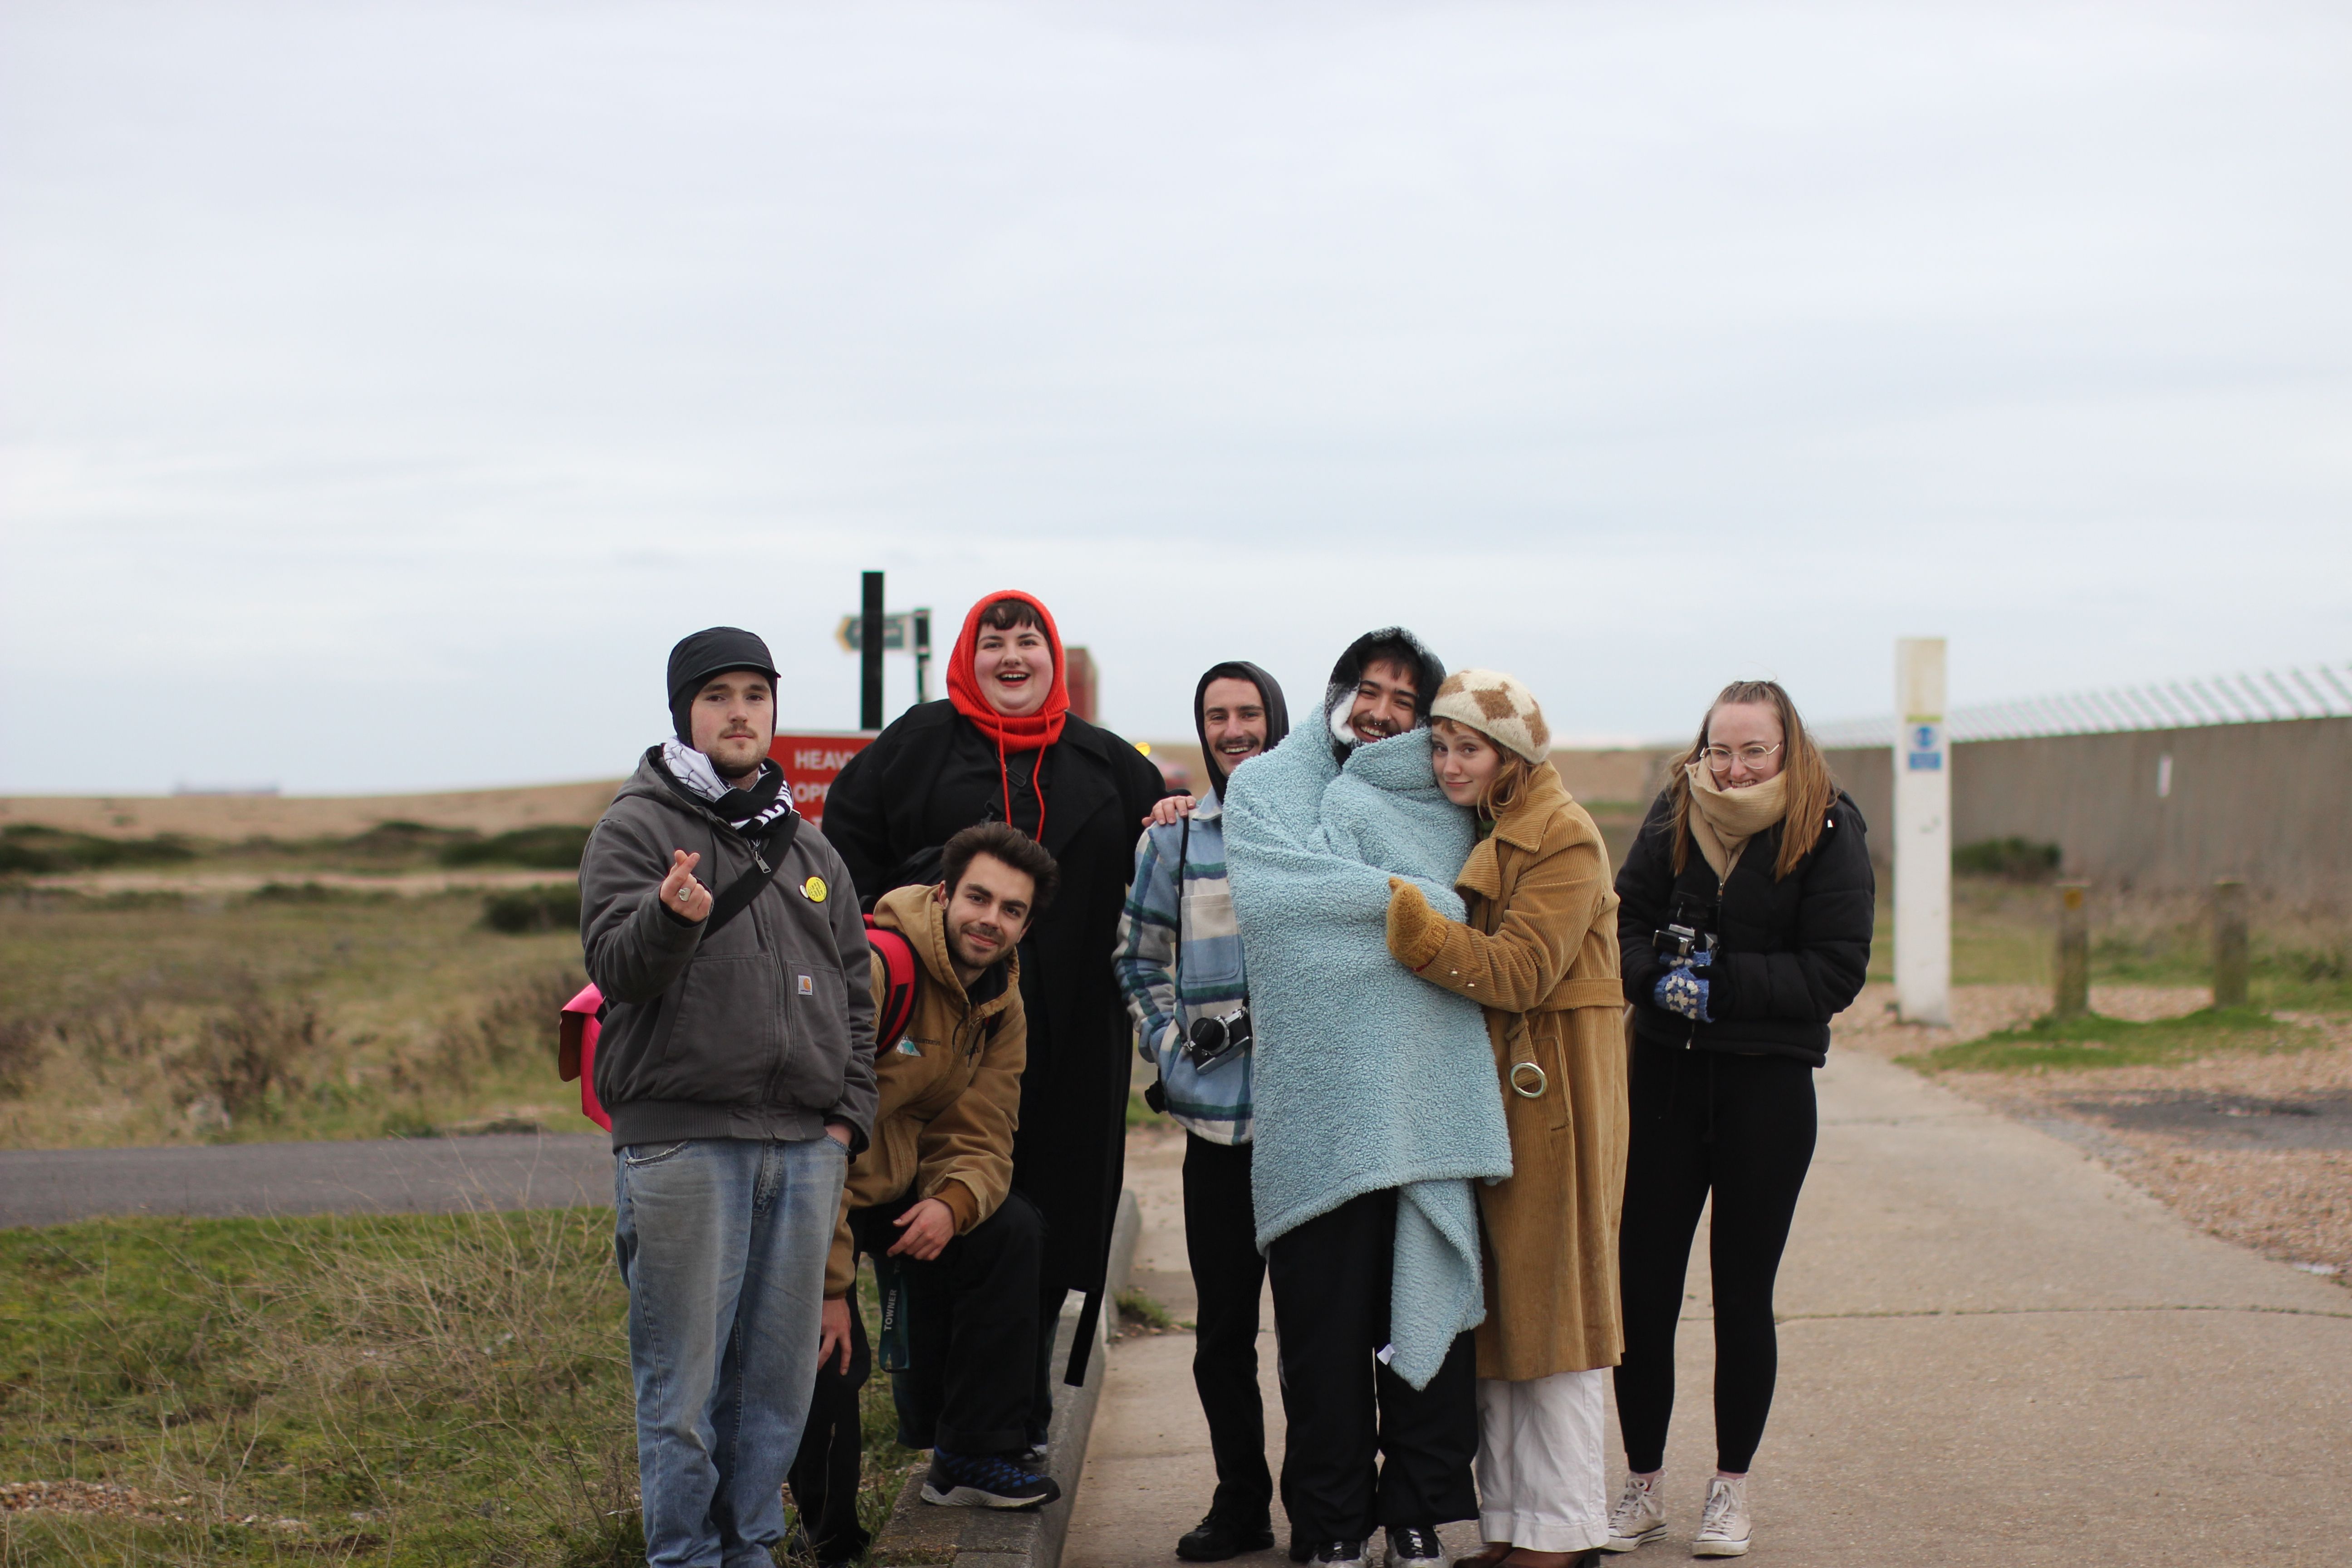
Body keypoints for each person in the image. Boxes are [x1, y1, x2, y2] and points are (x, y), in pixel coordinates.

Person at [820, 590, 1170, 1452]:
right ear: (967, 659)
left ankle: (1015, 1411)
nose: (1012, 657)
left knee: (1042, 1226)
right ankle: (935, 1407)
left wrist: (1173, 816)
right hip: (937, 1039)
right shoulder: (915, 747)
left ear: (1055, 657)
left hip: (1074, 1046)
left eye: (1029, 642)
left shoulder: (1110, 764)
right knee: (933, 1218)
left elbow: (1164, 874)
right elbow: (841, 859)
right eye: (994, 643)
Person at [578, 626, 878, 1568]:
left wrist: (845, 1120)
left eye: (756, 693)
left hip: (802, 1148)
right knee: (685, 1393)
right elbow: (616, 969)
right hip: (683, 1147)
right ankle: (685, 1558)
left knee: (776, 1392)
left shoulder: (812, 846)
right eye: (718, 697)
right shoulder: (634, 828)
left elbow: (857, 996)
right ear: (685, 715)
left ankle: (752, 1551)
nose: (740, 711)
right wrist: (671, 917)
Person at [1222, 628, 1514, 1568]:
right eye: (1368, 688)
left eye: (1404, 697)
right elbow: (1277, 910)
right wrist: (1413, 905)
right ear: (1340, 692)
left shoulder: (1450, 804)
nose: (1381, 709)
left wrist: (1411, 907)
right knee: (1322, 1334)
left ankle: (1421, 1511)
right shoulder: (1269, 787)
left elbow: (1468, 918)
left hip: (1423, 1097)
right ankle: (1332, 1522)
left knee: (1421, 1312)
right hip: (1318, 1110)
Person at [1602, 680, 1873, 1559]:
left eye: (1754, 750)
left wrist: (1720, 989)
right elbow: (1628, 922)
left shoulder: (1828, 827)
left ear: (1787, 750)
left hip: (1768, 1091)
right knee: (1643, 1295)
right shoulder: (1673, 812)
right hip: (1666, 1085)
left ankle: (1731, 1489)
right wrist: (1654, 980)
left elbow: (1835, 970)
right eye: (1721, 749)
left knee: (1741, 1297)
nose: (1735, 766)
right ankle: (1641, 1486)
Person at [1382, 671, 1627, 1568]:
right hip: (1508, 1089)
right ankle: (1518, 1527)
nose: (1450, 764)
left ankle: (1563, 1534)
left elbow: (1523, 970)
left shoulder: (1563, 835)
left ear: (1512, 755)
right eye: (1440, 746)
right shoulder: (1496, 822)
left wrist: (1422, 939)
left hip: (1556, 1089)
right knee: (1505, 1316)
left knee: (1556, 1315)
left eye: (1469, 749)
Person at [787, 823, 1063, 1563]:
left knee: (1011, 1230)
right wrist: (830, 1285)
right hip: (814, 1194)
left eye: (1011, 910)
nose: (990, 919)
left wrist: (953, 1202)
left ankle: (971, 1455)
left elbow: (985, 1130)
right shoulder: (879, 970)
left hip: (901, 1191)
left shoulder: (1002, 1001)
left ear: (1025, 926)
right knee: (831, 1351)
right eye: (977, 897)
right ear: (944, 895)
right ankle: (831, 1541)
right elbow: (815, 1141)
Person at [1111, 661, 1292, 1562]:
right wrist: (1172, 1052)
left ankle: (1329, 1505)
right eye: (1217, 715)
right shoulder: (1174, 843)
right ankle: (1241, 1502)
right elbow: (1136, 959)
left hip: (1315, 1130)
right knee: (1223, 1333)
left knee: (1317, 1335)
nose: (1234, 729)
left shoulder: (1320, 829)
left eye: (1248, 712)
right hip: (1218, 1131)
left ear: (1276, 721)